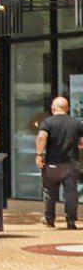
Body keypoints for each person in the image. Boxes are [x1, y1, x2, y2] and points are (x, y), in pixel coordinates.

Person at [36, 95, 81, 229]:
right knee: (71, 193)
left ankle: (50, 219)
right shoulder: (76, 123)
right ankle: (71, 221)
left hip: (51, 164)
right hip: (70, 164)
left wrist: (39, 155)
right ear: (67, 108)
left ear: (53, 108)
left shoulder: (48, 122)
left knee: (50, 192)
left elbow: (41, 137)